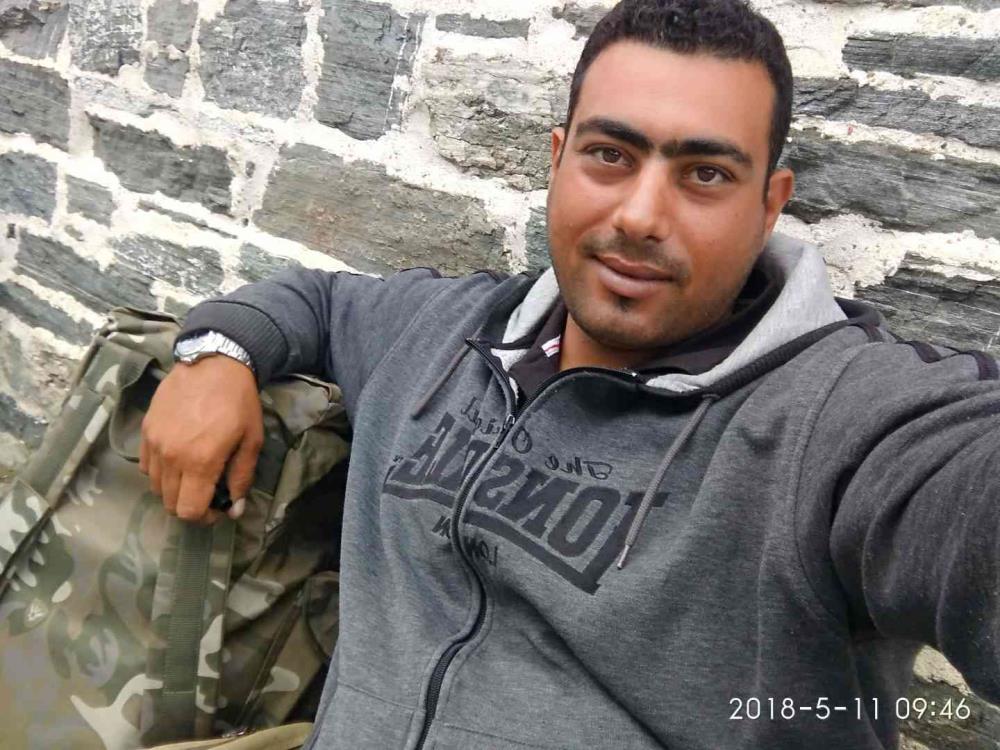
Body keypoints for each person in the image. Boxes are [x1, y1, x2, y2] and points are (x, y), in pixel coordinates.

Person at [139, 0, 1000, 747]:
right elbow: (318, 301)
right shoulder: (441, 331)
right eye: (610, 155)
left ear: (769, 204)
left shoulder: (838, 422)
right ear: (558, 158)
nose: (640, 216)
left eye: (705, 174)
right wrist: (218, 355)